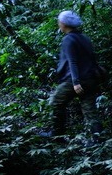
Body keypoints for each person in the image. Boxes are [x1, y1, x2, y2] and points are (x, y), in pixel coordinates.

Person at [42, 10, 103, 140]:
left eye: (59, 21)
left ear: (64, 23)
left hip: (74, 81)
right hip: (90, 79)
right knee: (90, 111)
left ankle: (57, 134)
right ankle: (97, 140)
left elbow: (72, 61)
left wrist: (75, 82)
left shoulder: (68, 39)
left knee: (56, 102)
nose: (58, 24)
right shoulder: (84, 38)